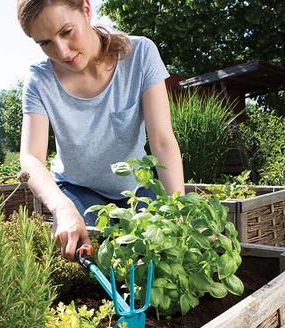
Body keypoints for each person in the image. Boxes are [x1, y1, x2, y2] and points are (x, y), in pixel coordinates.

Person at [16, 0, 184, 259]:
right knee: (99, 253)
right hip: (78, 189)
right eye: (45, 43)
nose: (62, 51)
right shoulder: (39, 81)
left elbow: (162, 141)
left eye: (66, 32)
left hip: (137, 188)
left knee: (161, 252)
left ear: (85, 9)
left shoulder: (140, 54)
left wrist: (178, 211)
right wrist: (62, 208)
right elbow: (30, 158)